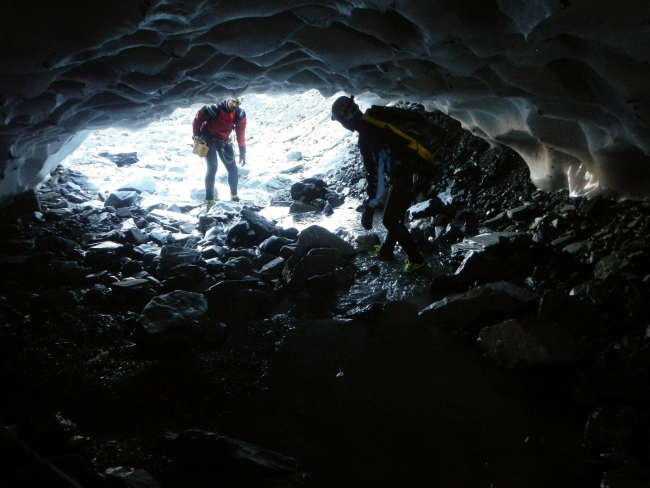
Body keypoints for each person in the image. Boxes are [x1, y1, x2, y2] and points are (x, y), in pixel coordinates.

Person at [331, 95, 440, 273]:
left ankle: (417, 261)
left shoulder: (367, 135)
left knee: (389, 219)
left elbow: (374, 176)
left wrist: (369, 209)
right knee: (394, 213)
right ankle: (387, 250)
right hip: (417, 171)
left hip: (412, 176)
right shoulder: (376, 119)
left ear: (345, 121)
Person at [192, 97, 247, 208]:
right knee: (212, 167)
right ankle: (210, 199)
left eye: (238, 103)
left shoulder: (239, 113)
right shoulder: (214, 108)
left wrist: (242, 149)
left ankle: (234, 196)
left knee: (233, 168)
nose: (235, 105)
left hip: (224, 140)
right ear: (227, 99)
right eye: (233, 102)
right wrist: (196, 136)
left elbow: (240, 132)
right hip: (209, 139)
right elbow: (197, 120)